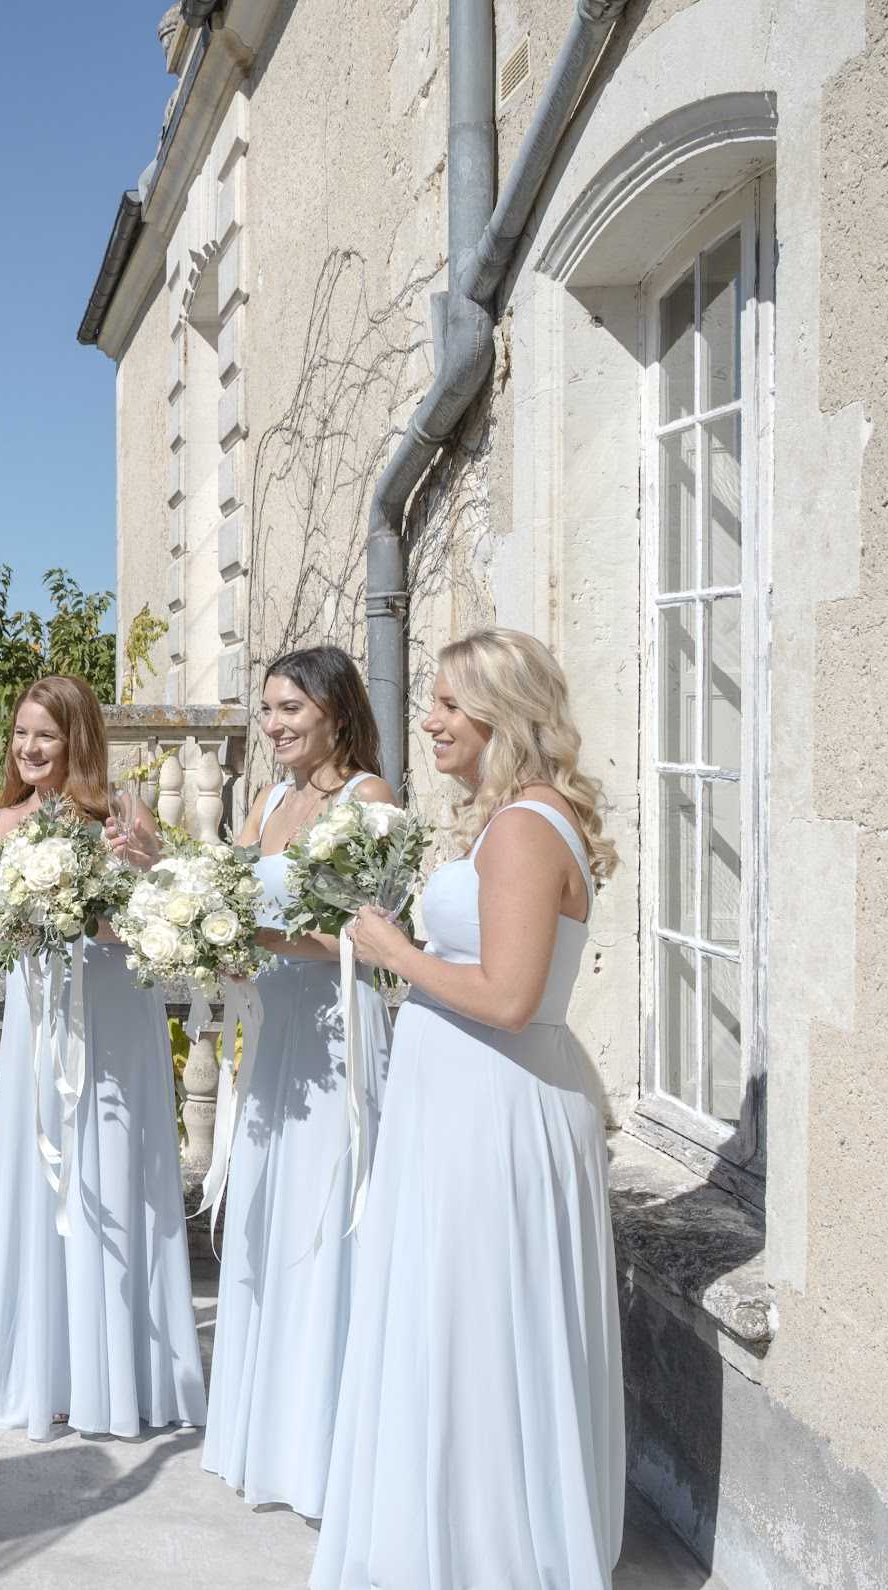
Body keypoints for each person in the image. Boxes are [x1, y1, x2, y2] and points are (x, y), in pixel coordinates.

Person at [315, 628, 625, 1589]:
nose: (431, 719)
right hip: (462, 1107)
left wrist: (392, 949)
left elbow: (508, 996)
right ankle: (442, 1534)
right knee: (455, 1322)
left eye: (448, 703)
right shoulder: (508, 819)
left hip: (497, 1110)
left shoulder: (529, 826)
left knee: (485, 1329)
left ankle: (490, 1555)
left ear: (502, 711)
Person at [0, 674, 204, 1441]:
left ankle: (122, 1373)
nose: (30, 748)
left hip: (115, 1016)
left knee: (113, 1173)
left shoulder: (125, 814)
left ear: (78, 739)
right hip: (39, 1020)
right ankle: (50, 1371)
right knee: (44, 1179)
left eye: (46, 733)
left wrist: (134, 876)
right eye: (21, 734)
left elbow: (173, 909)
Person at [202, 645, 395, 1515]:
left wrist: (261, 938)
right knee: (270, 1217)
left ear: (337, 712)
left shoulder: (371, 802)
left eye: (291, 711)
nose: (274, 725)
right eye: (269, 710)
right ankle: (266, 1434)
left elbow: (367, 935)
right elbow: (221, 889)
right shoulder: (269, 799)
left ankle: (326, 1452)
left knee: (324, 1222)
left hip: (335, 1032)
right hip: (275, 1029)